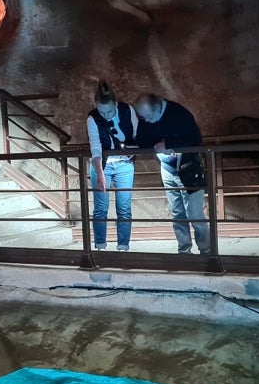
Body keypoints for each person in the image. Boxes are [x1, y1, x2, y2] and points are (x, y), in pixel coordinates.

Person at [134, 93, 209, 255]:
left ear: (157, 107)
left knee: (195, 213)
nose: (146, 120)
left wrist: (168, 143)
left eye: (148, 116)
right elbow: (141, 140)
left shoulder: (178, 114)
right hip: (167, 168)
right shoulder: (146, 118)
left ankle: (207, 251)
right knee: (177, 213)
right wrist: (160, 144)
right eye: (142, 117)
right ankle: (184, 251)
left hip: (189, 167)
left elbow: (195, 139)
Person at [85, 80, 139, 251]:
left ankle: (123, 247)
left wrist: (134, 150)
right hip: (102, 165)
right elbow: (95, 147)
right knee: (100, 207)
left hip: (124, 164)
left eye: (109, 111)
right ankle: (100, 246)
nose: (106, 115)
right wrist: (100, 174)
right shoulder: (93, 118)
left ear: (115, 104)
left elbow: (137, 134)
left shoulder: (127, 110)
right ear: (96, 106)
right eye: (102, 111)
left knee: (124, 207)